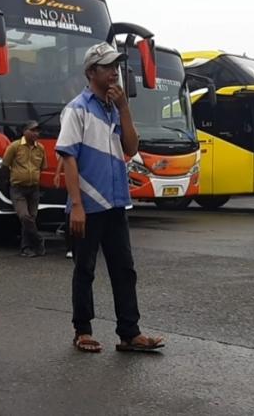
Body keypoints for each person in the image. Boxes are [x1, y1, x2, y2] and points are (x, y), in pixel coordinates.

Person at [56, 42, 165, 353]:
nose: (115, 72)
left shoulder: (114, 109)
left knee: (124, 269)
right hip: (87, 206)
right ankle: (83, 330)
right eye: (107, 67)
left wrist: (125, 109)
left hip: (116, 203)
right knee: (84, 269)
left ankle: (129, 333)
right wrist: (76, 205)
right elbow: (69, 158)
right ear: (91, 72)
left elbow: (130, 148)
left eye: (116, 66)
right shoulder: (77, 109)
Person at [2, 120, 47, 257]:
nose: (35, 133)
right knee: (24, 216)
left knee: (31, 218)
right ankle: (39, 240)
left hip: (34, 189)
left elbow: (42, 167)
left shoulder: (41, 148)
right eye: (32, 130)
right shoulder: (15, 146)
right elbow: (5, 165)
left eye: (37, 131)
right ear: (24, 131)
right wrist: (8, 181)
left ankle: (26, 248)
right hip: (18, 188)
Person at [53, 155, 73, 259]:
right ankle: (70, 247)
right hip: (75, 179)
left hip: (89, 179)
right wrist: (57, 174)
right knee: (70, 211)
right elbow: (63, 155)